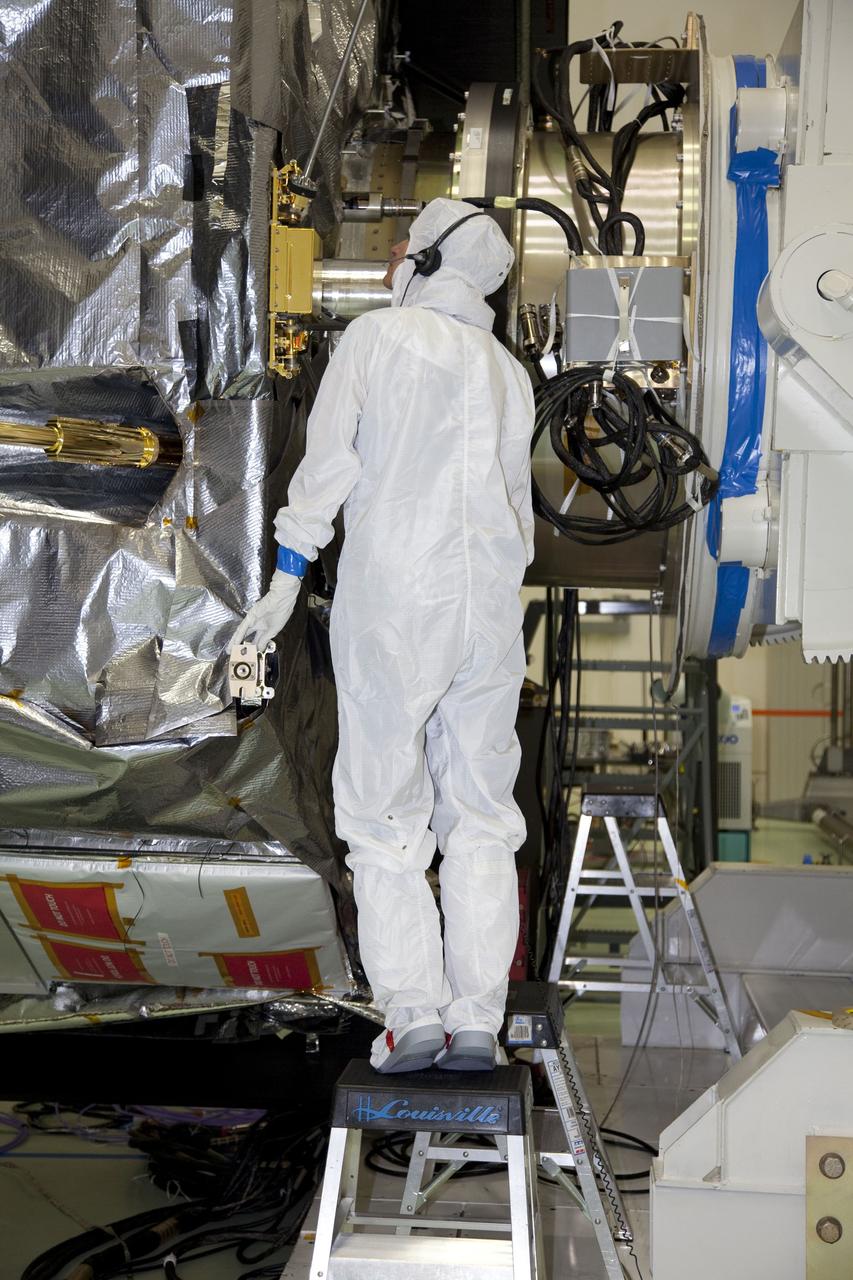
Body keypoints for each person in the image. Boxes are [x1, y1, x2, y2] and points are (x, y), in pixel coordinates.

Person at [231, 197, 536, 1072]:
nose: (395, 256)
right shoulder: (507, 372)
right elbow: (517, 511)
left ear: (433, 262)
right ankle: (478, 1017)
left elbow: (326, 470)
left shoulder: (374, 340)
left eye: (406, 246)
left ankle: (413, 1013)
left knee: (381, 812)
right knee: (481, 814)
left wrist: (288, 577)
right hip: (488, 616)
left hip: (398, 603)